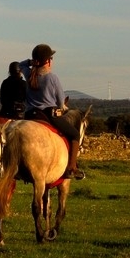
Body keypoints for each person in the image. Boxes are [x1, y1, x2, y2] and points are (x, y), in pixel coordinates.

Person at [18, 44, 84, 180]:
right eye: (51, 58)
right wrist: (63, 108)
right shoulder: (52, 78)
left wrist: (32, 62)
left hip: (30, 116)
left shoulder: (29, 73)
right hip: (49, 115)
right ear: (47, 61)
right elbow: (60, 103)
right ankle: (72, 167)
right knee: (75, 134)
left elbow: (20, 64)